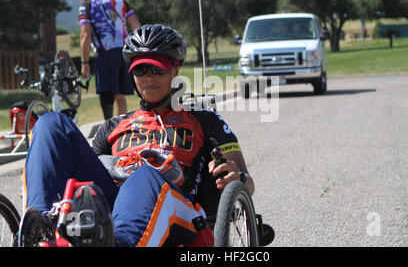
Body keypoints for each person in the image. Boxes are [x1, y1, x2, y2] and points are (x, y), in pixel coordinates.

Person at [23, 24, 254, 247]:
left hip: (182, 213)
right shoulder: (113, 126)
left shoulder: (205, 120)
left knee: (145, 174)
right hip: (115, 209)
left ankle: (121, 242)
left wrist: (238, 177)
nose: (149, 77)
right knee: (50, 123)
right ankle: (39, 228)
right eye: (141, 70)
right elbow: (87, 178)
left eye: (158, 69)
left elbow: (247, 184)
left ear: (176, 70)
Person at [79, 0, 141, 120]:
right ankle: (123, 128)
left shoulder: (87, 5)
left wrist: (84, 62)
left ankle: (108, 129)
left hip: (106, 52)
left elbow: (85, 35)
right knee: (120, 93)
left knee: (106, 94)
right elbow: (136, 26)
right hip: (126, 50)